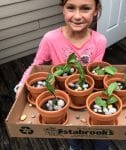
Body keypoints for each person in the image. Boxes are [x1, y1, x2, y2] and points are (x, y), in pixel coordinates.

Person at [14, 0, 111, 149]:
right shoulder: (50, 39)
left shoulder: (99, 40)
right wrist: (22, 84)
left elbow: (94, 71)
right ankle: (75, 145)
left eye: (85, 8)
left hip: (87, 95)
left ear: (96, 10)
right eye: (71, 8)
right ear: (63, 9)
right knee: (71, 132)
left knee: (103, 135)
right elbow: (36, 65)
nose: (77, 16)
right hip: (62, 98)